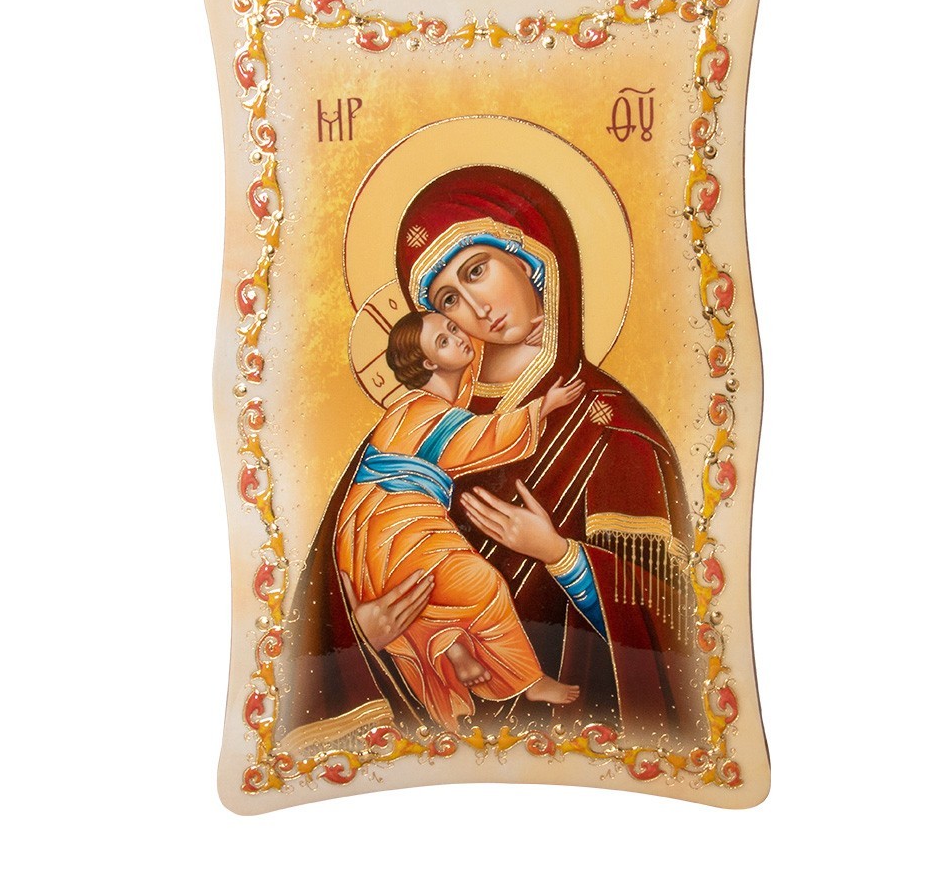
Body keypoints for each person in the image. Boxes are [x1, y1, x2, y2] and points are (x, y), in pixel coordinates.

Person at [284, 165, 700, 753]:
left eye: (478, 269)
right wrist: (366, 632)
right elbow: (331, 594)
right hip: (424, 728)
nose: (476, 307)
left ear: (532, 259)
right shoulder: (408, 427)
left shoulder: (615, 430)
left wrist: (559, 555)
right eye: (449, 298)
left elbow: (674, 619)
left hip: (569, 738)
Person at [337, 308, 583, 732]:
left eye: (454, 327)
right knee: (481, 585)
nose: (460, 337)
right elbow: (483, 438)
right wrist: (543, 407)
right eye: (444, 340)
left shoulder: (430, 399)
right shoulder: (427, 412)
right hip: (395, 525)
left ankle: (452, 645)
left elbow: (471, 367)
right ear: (429, 363)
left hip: (375, 528)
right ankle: (530, 681)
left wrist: (528, 336)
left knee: (427, 592)